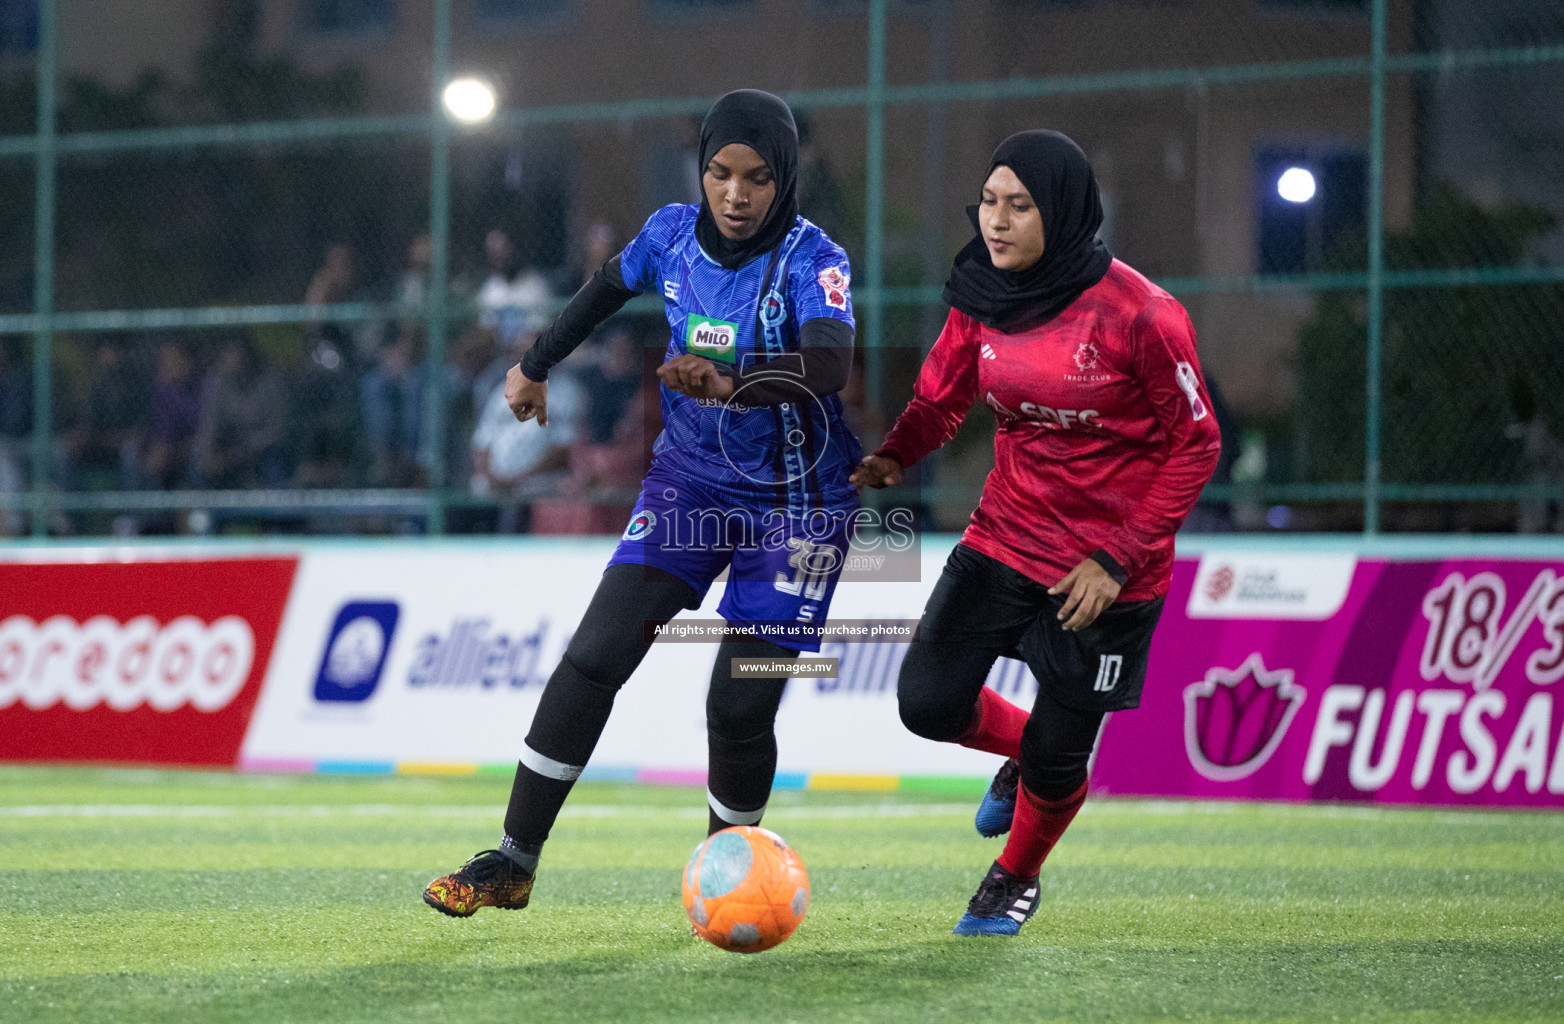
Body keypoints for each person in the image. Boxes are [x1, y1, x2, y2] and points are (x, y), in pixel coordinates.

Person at [422, 89, 862, 918]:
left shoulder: (816, 259)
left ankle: (727, 875)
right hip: (689, 485)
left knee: (737, 703)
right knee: (595, 654)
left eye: (758, 178)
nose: (736, 194)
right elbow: (602, 288)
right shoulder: (667, 234)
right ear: (700, 171)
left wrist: (732, 384)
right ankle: (512, 861)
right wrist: (536, 363)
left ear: (785, 178)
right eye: (719, 173)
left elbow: (830, 366)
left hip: (799, 508)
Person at [852, 130, 1221, 936]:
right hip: (1006, 536)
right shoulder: (981, 293)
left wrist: (1119, 559)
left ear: (1061, 210)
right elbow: (942, 399)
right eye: (988, 201)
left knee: (1063, 755)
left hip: (1107, 571)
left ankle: (1013, 877)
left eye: (1019, 205)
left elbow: (1198, 443)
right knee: (926, 702)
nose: (997, 221)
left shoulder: (1143, 315)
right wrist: (894, 456)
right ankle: (1025, 758)